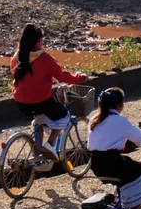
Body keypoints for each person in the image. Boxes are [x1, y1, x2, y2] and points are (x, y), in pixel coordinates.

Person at [11, 23, 87, 157]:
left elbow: (26, 78)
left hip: (20, 102)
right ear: (38, 41)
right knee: (64, 116)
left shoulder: (16, 58)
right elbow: (63, 76)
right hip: (39, 101)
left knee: (39, 122)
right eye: (41, 41)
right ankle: (51, 143)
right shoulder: (44, 58)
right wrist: (80, 78)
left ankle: (37, 155)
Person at [87, 87, 141, 209]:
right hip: (113, 163)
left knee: (125, 178)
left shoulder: (94, 119)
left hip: (96, 164)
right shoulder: (119, 120)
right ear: (120, 105)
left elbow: (102, 139)